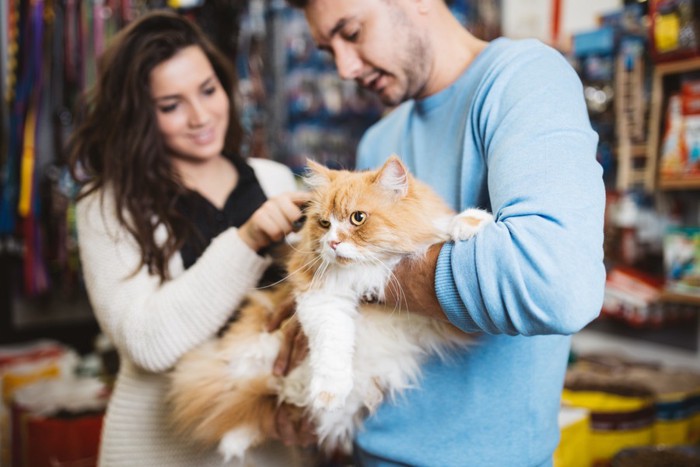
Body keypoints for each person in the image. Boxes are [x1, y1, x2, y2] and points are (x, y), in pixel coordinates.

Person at [280, 0, 606, 465]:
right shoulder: (379, 138)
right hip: (368, 447)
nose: (345, 67)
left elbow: (557, 283)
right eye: (327, 50)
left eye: (351, 32)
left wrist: (361, 280)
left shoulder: (525, 79)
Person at [68, 11, 314, 466]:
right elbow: (148, 344)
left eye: (208, 90)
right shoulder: (108, 205)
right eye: (171, 105)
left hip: (268, 450)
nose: (201, 116)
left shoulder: (274, 180)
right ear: (138, 114)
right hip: (158, 450)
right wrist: (248, 240)